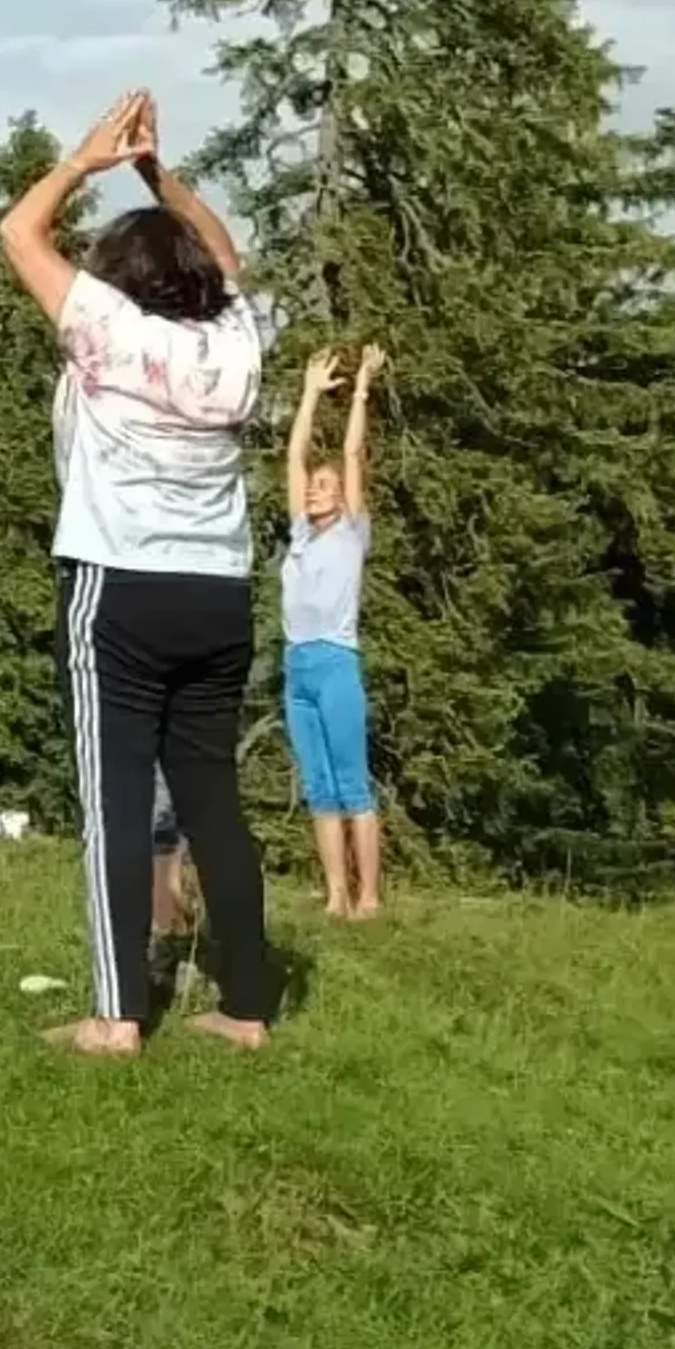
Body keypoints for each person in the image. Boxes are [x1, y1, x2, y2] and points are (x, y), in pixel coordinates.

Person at [0, 89, 276, 1055]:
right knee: (211, 803)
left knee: (115, 798)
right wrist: (162, 175)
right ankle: (246, 1008)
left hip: (118, 584)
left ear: (117, 280)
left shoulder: (107, 330)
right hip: (221, 593)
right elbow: (223, 253)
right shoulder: (236, 340)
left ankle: (116, 1017)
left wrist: (87, 162)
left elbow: (20, 232)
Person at [282, 341, 387, 920]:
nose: (319, 487)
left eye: (328, 485)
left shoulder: (351, 533)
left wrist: (360, 390)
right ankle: (335, 894)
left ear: (344, 498)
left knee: (352, 784)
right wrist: (307, 395)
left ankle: (368, 897)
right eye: (316, 486)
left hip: (336, 663)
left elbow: (351, 452)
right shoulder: (301, 532)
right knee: (320, 788)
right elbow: (295, 459)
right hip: (297, 665)